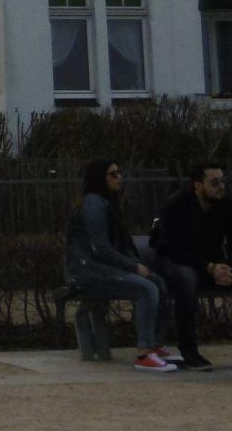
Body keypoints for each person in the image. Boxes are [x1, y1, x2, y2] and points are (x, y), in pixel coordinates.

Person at [150, 161, 232, 371]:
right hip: (177, 264)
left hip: (213, 266)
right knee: (187, 278)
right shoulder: (176, 205)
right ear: (197, 185)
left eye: (222, 181)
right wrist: (208, 267)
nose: (221, 187)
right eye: (215, 182)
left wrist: (230, 268)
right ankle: (189, 351)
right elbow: (170, 248)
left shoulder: (228, 206)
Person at [64, 157, 179, 372]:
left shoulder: (106, 202)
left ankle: (154, 344)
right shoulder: (94, 203)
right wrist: (133, 267)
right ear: (100, 178)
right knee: (146, 289)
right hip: (87, 271)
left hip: (101, 268)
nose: (119, 178)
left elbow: (116, 245)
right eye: (113, 174)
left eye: (119, 172)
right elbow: (100, 248)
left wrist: (134, 265)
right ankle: (144, 353)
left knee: (157, 282)